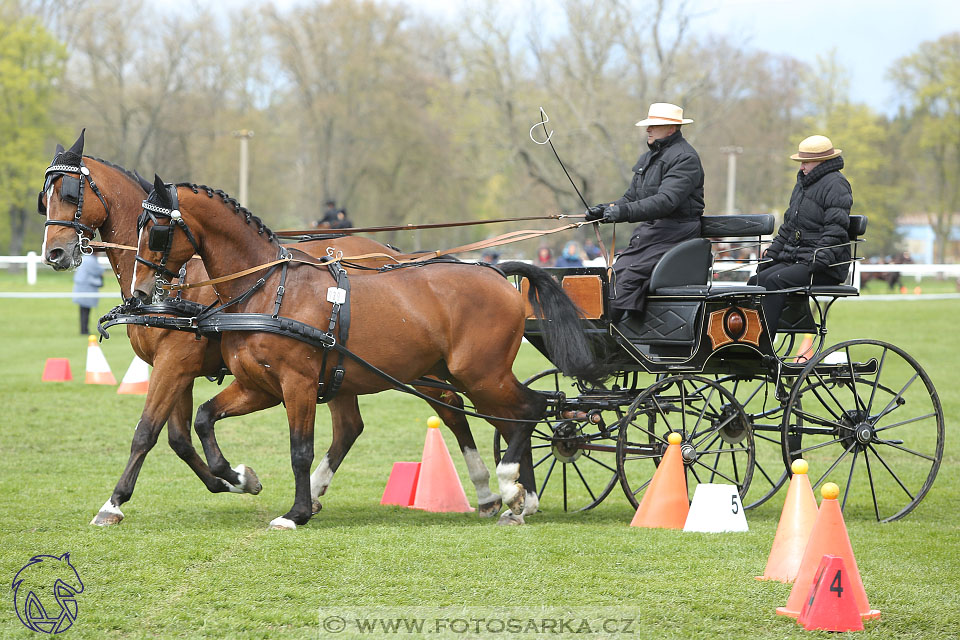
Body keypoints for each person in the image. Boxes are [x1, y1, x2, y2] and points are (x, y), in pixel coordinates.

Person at [584, 102, 704, 319]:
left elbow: (666, 201)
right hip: (651, 234)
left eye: (654, 125)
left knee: (627, 278)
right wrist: (604, 210)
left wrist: (622, 213)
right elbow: (631, 198)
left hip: (675, 235)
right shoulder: (648, 158)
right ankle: (607, 332)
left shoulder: (685, 158)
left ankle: (615, 333)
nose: (648, 129)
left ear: (671, 128)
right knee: (611, 278)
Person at [749, 135, 852, 335]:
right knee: (757, 280)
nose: (801, 167)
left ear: (821, 162)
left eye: (805, 162)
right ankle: (748, 337)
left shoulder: (837, 185)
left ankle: (763, 344)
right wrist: (772, 255)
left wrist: (818, 259)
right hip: (799, 258)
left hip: (825, 266)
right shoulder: (803, 185)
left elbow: (836, 228)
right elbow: (789, 226)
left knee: (775, 281)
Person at [73, 253, 105, 335]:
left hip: (82, 288)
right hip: (86, 288)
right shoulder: (90, 260)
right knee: (85, 311)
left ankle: (84, 329)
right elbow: (99, 270)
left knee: (84, 310)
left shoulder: (85, 258)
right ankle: (84, 330)